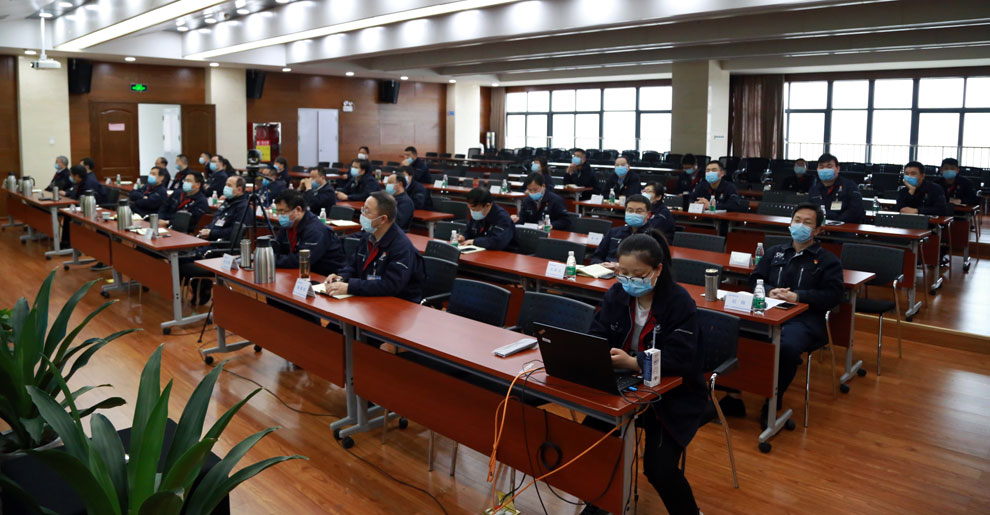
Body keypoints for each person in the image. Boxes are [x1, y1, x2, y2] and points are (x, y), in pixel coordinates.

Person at [582, 229, 705, 515]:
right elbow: (597, 334)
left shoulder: (679, 302)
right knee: (591, 444)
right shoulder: (617, 294)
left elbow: (682, 358)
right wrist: (600, 354)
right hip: (621, 386)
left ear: (657, 270)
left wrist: (634, 362)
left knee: (659, 468)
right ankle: (602, 503)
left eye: (636, 275)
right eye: (622, 273)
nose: (628, 280)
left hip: (672, 395)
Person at [720, 203, 843, 427]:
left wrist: (799, 296)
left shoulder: (828, 260)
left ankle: (772, 399)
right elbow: (755, 279)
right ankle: (733, 396)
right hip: (766, 311)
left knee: (786, 347)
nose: (800, 226)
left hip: (804, 319)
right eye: (797, 220)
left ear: (817, 230)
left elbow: (833, 296)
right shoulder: (775, 251)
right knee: (733, 335)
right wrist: (769, 291)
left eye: (807, 223)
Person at [324, 191, 426, 303]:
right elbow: (353, 265)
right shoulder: (368, 236)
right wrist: (341, 277)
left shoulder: (401, 247)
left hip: (398, 303)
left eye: (367, 211)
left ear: (383, 219)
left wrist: (350, 287)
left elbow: (390, 285)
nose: (362, 215)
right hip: (370, 296)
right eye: (363, 210)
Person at [180, 176, 251, 305]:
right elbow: (214, 223)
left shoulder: (243, 208)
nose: (225, 188)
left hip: (219, 250)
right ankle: (192, 289)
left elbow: (234, 234)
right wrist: (206, 230)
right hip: (209, 244)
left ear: (239, 189)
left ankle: (201, 289)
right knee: (179, 256)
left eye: (229, 185)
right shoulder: (227, 203)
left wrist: (211, 233)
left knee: (182, 263)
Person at [272, 189, 346, 275]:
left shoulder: (315, 230)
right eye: (278, 212)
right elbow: (277, 246)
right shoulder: (289, 225)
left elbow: (302, 260)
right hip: (303, 271)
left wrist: (271, 260)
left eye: (282, 211)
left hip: (325, 275)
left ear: (298, 210)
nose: (279, 216)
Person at [590, 194, 668, 265]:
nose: (634, 213)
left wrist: (621, 267)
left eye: (639, 211)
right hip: (607, 271)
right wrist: (601, 265)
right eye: (630, 210)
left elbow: (653, 265)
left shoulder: (653, 236)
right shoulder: (614, 232)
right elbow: (597, 256)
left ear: (648, 214)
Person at [808, 153, 865, 223]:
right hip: (821, 226)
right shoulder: (814, 190)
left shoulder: (850, 186)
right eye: (821, 167)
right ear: (817, 169)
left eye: (829, 166)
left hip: (845, 226)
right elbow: (809, 211)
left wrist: (835, 221)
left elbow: (856, 211)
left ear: (838, 169)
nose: (825, 169)